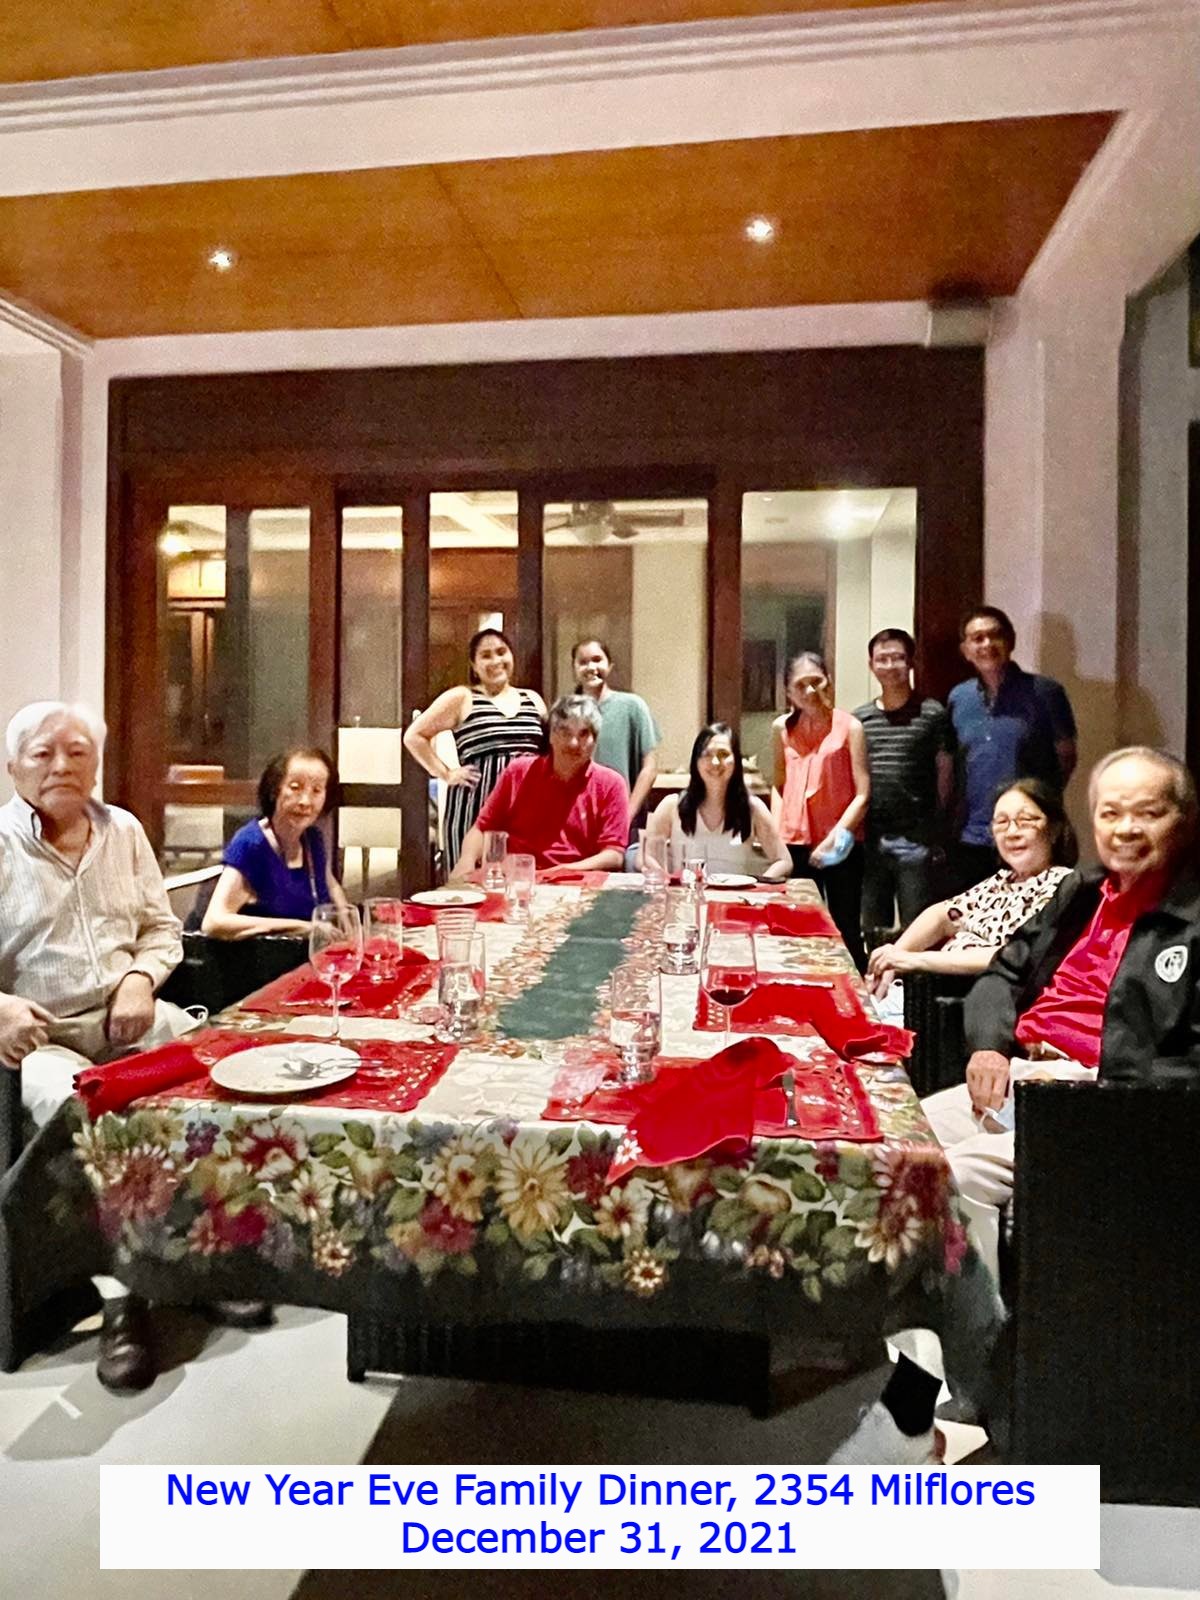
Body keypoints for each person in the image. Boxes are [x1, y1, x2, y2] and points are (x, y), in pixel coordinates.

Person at [833, 746, 1200, 1465]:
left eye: (1148, 813)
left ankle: (984, 1390)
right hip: (1022, 1076)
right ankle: (912, 1372)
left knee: (948, 1179)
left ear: (1184, 822)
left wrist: (1091, 1085)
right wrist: (990, 1048)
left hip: (1102, 1112)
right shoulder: (1084, 894)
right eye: (1111, 813)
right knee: (884, 1150)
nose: (1126, 828)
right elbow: (1003, 973)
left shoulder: (1189, 916)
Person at [0, 700, 191, 1393]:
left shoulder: (124, 831)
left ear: (97, 764)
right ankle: (123, 1297)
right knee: (82, 1111)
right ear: (13, 767)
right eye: (43, 754)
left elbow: (162, 930)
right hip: (40, 1037)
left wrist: (140, 980)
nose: (61, 765)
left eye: (77, 752)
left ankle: (207, 1260)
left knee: (216, 1071)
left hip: (128, 1019)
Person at [867, 779, 1074, 999]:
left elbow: (1016, 955)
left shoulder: (1063, 884)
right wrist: (895, 957)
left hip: (993, 1004)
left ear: (1054, 829)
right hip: (940, 997)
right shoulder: (1004, 880)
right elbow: (943, 915)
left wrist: (915, 960)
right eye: (1001, 822)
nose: (1012, 832)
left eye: (1026, 821)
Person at [948, 606, 1077, 891]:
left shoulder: (1046, 692)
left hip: (1029, 835)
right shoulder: (958, 698)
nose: (987, 644)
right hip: (972, 836)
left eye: (995, 635)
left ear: (1011, 641)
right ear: (965, 650)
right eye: (977, 638)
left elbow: (1066, 756)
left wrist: (1041, 802)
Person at [403, 628, 547, 873]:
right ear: (474, 665)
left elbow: (548, 750)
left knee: (522, 879)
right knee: (469, 885)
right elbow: (414, 736)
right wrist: (446, 773)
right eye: (486, 655)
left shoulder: (532, 699)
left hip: (525, 809)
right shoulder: (462, 697)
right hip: (474, 808)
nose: (496, 660)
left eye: (501, 652)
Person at [452, 694, 628, 880]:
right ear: (551, 735)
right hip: (516, 879)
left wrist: (563, 871)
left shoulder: (611, 784)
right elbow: (483, 827)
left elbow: (614, 855)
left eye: (583, 734)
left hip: (579, 882)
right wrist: (466, 862)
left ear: (595, 740)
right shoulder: (518, 772)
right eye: (565, 732)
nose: (573, 743)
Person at [771, 651, 870, 970]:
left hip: (841, 844)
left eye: (817, 682)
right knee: (799, 924)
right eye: (801, 685)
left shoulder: (850, 727)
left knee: (845, 926)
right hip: (795, 843)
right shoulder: (781, 729)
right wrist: (776, 834)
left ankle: (854, 991)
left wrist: (835, 837)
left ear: (829, 681)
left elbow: (863, 793)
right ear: (789, 692)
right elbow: (779, 785)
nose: (810, 691)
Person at [854, 628, 954, 931]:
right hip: (871, 841)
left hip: (917, 839)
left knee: (917, 928)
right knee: (872, 927)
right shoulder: (859, 719)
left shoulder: (933, 713)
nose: (889, 665)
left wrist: (937, 828)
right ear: (871, 665)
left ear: (911, 662)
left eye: (897, 658)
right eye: (881, 659)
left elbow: (946, 774)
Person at [202, 746, 348, 938]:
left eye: (316, 790)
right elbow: (214, 922)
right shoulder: (251, 844)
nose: (305, 801)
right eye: (295, 788)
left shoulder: (312, 839)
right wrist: (303, 927)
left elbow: (330, 885)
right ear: (274, 789)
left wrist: (350, 925)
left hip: (304, 953)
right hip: (260, 955)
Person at [646, 721, 790, 880]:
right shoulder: (671, 806)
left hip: (735, 895)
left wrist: (757, 884)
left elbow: (784, 861)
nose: (715, 762)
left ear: (736, 760)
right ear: (696, 761)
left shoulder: (752, 808)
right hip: (687, 893)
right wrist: (667, 881)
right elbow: (647, 857)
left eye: (723, 754)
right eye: (707, 754)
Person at [572, 638, 660, 831]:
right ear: (574, 668)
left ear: (610, 665)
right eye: (583, 662)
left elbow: (650, 767)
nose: (591, 667)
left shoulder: (632, 706)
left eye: (597, 660)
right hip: (578, 823)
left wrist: (626, 815)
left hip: (623, 822)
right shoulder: (568, 712)